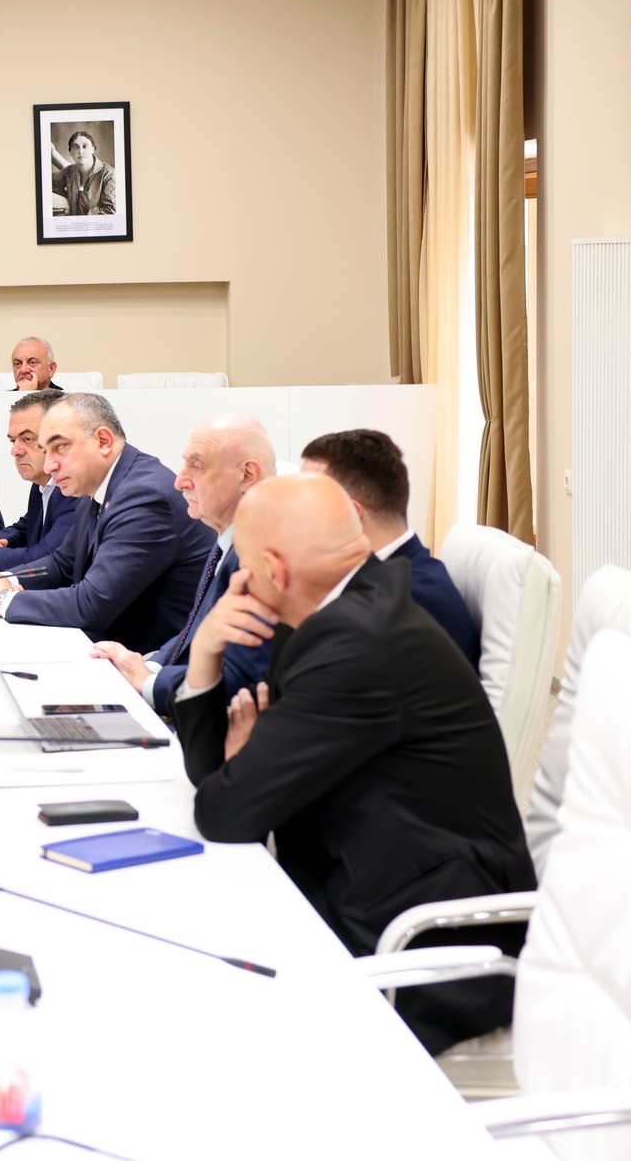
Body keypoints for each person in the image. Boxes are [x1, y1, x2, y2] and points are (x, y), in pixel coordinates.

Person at [169, 473, 533, 1055]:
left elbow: (224, 811)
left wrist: (245, 775)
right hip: (365, 882)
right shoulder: (342, 609)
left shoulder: (355, 644)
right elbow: (220, 778)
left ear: (275, 571)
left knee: (194, 1008)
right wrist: (206, 655)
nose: (239, 584)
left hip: (420, 947)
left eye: (244, 569)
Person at [0, 393, 213, 649]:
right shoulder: (95, 487)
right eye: (45, 450)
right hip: (113, 643)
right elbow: (62, 563)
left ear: (103, 441)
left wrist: (4, 599)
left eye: (59, 447)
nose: (50, 465)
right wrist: (6, 579)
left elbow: (93, 604)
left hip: (151, 657)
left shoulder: (144, 496)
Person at [89, 413, 276, 715]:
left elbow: (240, 680)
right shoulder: (228, 538)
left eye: (197, 466)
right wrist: (147, 665)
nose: (179, 481)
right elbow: (194, 630)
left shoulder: (263, 557)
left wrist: (147, 681)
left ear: (247, 475)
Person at [299, 428, 480, 666]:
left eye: (306, 502)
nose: (297, 515)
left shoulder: (411, 600)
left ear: (351, 514)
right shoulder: (383, 577)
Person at [0, 389, 80, 571]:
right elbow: (27, 527)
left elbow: (45, 558)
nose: (15, 451)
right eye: (13, 441)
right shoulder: (43, 482)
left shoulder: (76, 487)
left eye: (27, 439)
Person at [0, 336, 61, 470]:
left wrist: (27, 396)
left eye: (32, 362)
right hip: (7, 475)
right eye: (17, 364)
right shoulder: (2, 401)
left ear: (51, 369)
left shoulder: (64, 402)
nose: (24, 369)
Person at [49, 128, 117, 216]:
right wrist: (66, 200)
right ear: (70, 152)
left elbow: (110, 211)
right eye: (75, 147)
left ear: (93, 149)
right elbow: (48, 183)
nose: (80, 151)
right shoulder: (70, 171)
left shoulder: (108, 174)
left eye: (85, 146)